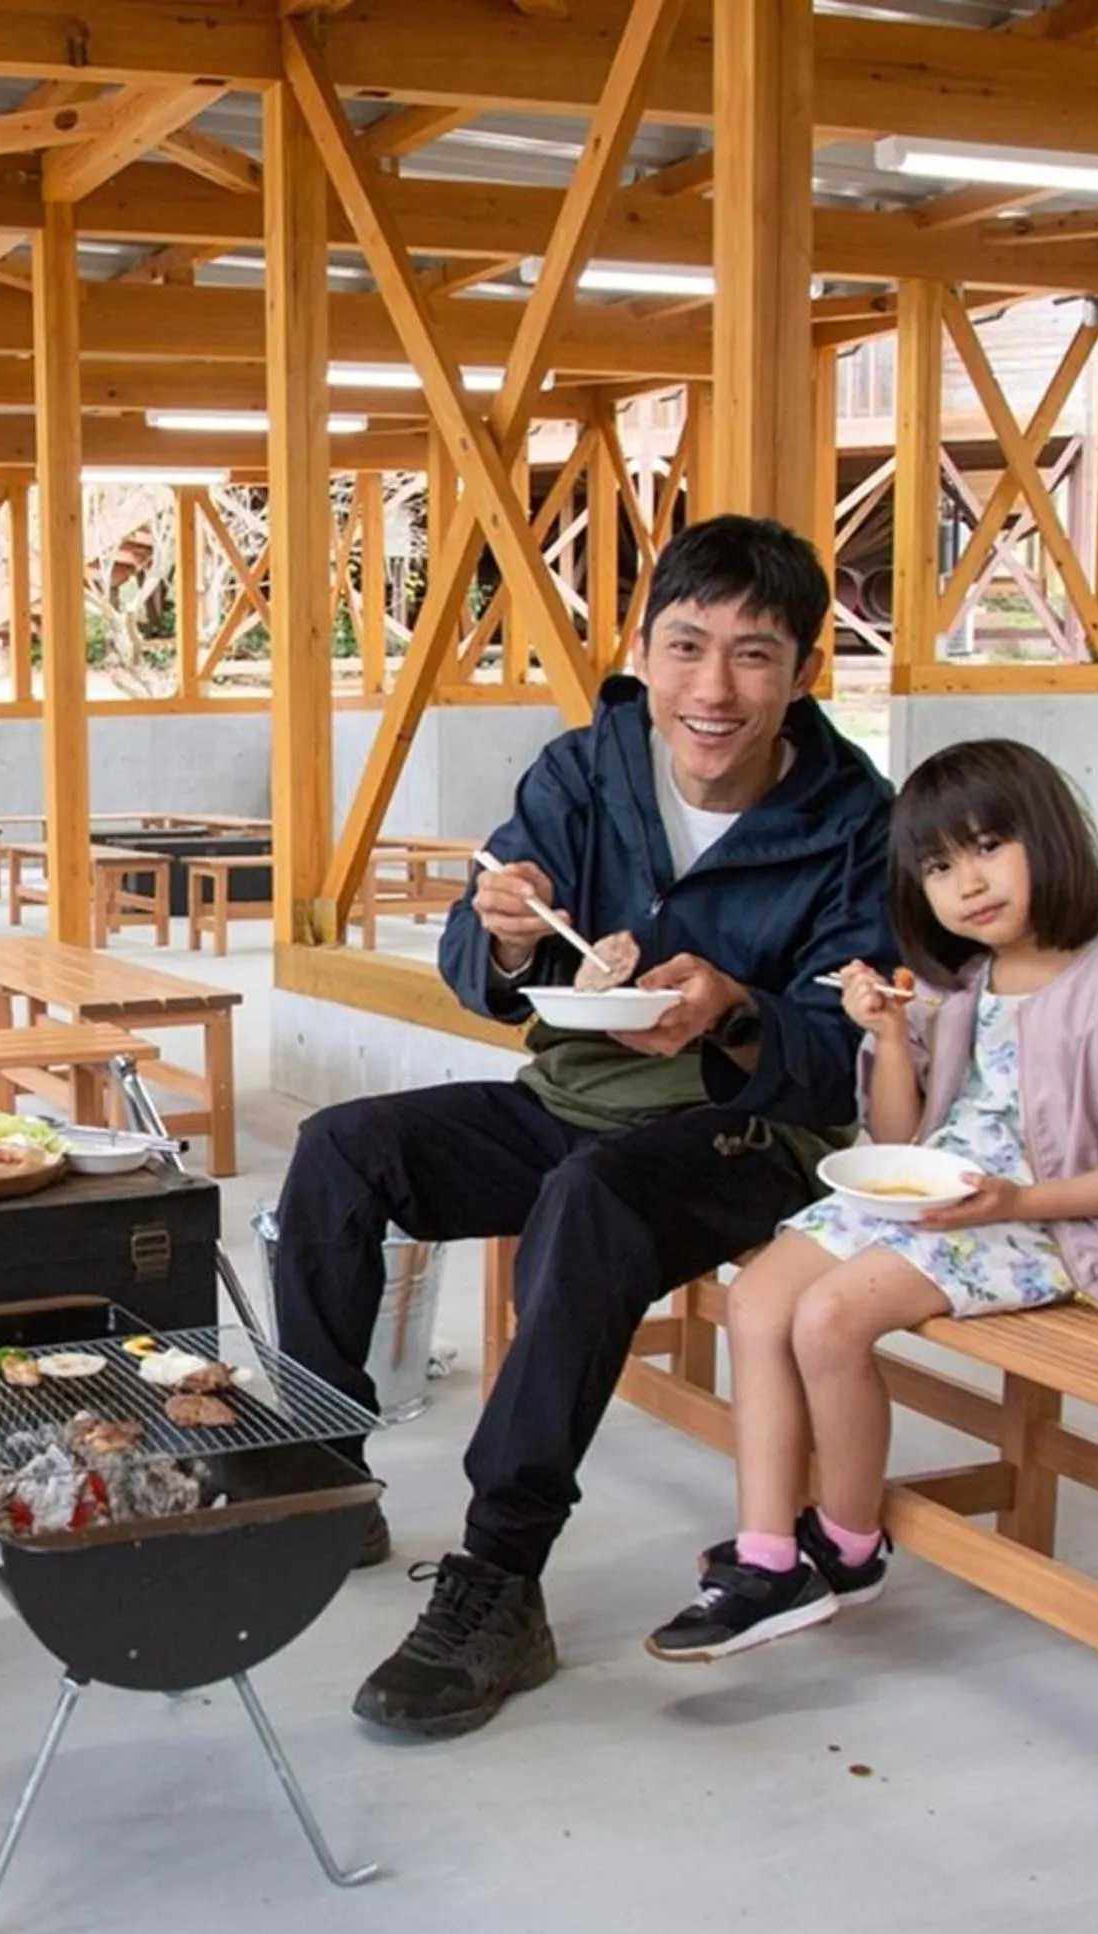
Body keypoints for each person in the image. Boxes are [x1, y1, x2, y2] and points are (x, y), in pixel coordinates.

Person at [271, 514, 899, 1741]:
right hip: (567, 1102)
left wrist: (732, 1015)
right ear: (644, 650)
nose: (712, 690)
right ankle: (322, 1471)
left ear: (806, 670)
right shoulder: (583, 771)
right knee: (343, 1150)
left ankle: (501, 1577)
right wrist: (504, 931)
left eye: (754, 655)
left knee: (592, 1201)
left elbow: (857, 1050)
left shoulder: (857, 822)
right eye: (686, 647)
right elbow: (478, 969)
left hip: (750, 1137)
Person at [645, 738, 1098, 1661]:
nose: (967, 882)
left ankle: (848, 1544)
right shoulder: (961, 985)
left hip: (1054, 1226)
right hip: (948, 1202)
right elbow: (897, 1145)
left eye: (988, 846)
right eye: (937, 866)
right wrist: (890, 1036)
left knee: (830, 1320)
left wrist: (1021, 1199)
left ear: (1050, 838)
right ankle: (769, 1554)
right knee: (761, 1294)